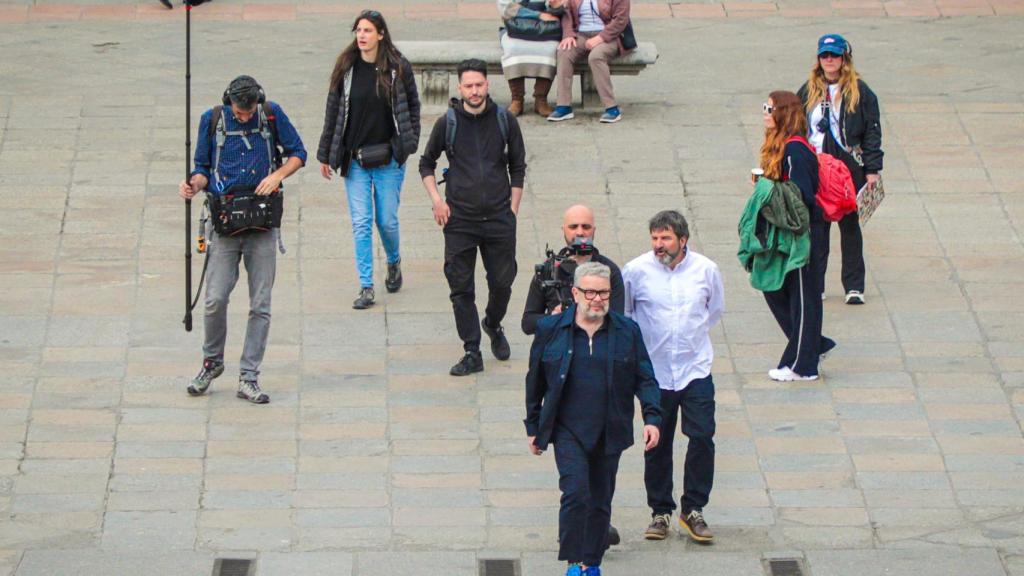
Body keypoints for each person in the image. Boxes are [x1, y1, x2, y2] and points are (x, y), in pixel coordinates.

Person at [525, 262, 662, 576]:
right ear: (575, 293)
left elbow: (646, 378)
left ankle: (592, 563)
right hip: (567, 429)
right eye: (590, 292)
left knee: (600, 500)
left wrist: (652, 417)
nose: (598, 299)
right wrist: (533, 427)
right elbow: (535, 381)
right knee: (575, 493)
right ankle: (574, 563)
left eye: (603, 293)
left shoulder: (627, 331)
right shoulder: (551, 330)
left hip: (609, 428)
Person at [179, 75, 307, 403]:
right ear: (229, 103)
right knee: (214, 298)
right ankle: (212, 361)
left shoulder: (272, 114)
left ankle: (249, 375)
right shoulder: (213, 120)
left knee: (260, 303)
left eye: (250, 111)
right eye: (240, 111)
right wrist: (193, 184)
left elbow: (298, 153)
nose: (246, 116)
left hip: (262, 224)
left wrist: (277, 176)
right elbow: (202, 167)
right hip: (224, 222)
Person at [419, 59, 527, 376]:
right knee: (461, 288)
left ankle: (493, 322)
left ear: (487, 85)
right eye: (469, 86)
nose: (475, 90)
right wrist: (437, 201)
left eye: (479, 84)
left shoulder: (505, 120)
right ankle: (472, 350)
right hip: (460, 221)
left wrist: (513, 209)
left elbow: (518, 166)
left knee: (502, 282)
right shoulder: (448, 122)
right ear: (460, 88)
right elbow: (426, 164)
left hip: (498, 218)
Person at [622, 210, 724, 543]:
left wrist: (691, 339)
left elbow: (714, 310)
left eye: (665, 238)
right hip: (655, 373)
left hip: (695, 369)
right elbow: (627, 315)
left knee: (702, 437)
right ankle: (660, 511)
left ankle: (693, 509)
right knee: (657, 442)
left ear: (683, 240)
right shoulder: (636, 272)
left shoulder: (706, 270)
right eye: (654, 238)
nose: (659, 245)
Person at [318, 10, 421, 310]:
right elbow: (333, 112)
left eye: (367, 30)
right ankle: (366, 286)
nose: (361, 36)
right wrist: (326, 153)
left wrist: (409, 140)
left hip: (389, 157)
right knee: (361, 223)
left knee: (386, 220)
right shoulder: (346, 67)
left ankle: (394, 260)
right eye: (358, 30)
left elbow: (413, 104)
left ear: (380, 34)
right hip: (355, 159)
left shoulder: (397, 67)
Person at [797, 34, 883, 305]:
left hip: (848, 169)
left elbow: (872, 132)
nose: (830, 60)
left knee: (850, 226)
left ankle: (854, 286)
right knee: (818, 228)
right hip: (818, 167)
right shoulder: (807, 90)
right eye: (825, 55)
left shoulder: (861, 92)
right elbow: (797, 127)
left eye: (834, 55)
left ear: (844, 58)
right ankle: (817, 284)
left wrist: (872, 169)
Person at [759, 91, 836, 381]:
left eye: (770, 108)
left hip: (801, 233)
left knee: (804, 296)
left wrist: (771, 187)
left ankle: (804, 365)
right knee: (774, 287)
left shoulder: (796, 151)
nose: (765, 112)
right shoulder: (781, 147)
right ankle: (814, 344)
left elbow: (801, 195)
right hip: (788, 232)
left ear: (783, 113)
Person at [522, 204, 624, 335]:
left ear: (594, 230)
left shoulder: (609, 271)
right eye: (573, 227)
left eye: (586, 227)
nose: (580, 232)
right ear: (563, 230)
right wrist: (553, 317)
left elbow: (618, 321)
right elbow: (527, 323)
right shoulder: (549, 269)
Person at [547, 0, 632, 124]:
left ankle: (611, 108)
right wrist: (568, 34)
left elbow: (620, 20)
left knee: (596, 57)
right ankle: (564, 106)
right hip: (581, 34)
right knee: (564, 52)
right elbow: (567, 14)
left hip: (610, 36)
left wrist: (599, 38)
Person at [498, 0, 565, 117]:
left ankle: (541, 99)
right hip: (515, 27)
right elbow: (505, 7)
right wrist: (538, 15)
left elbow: (563, 8)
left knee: (551, 49)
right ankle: (517, 99)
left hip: (546, 28)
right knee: (513, 48)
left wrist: (554, 5)